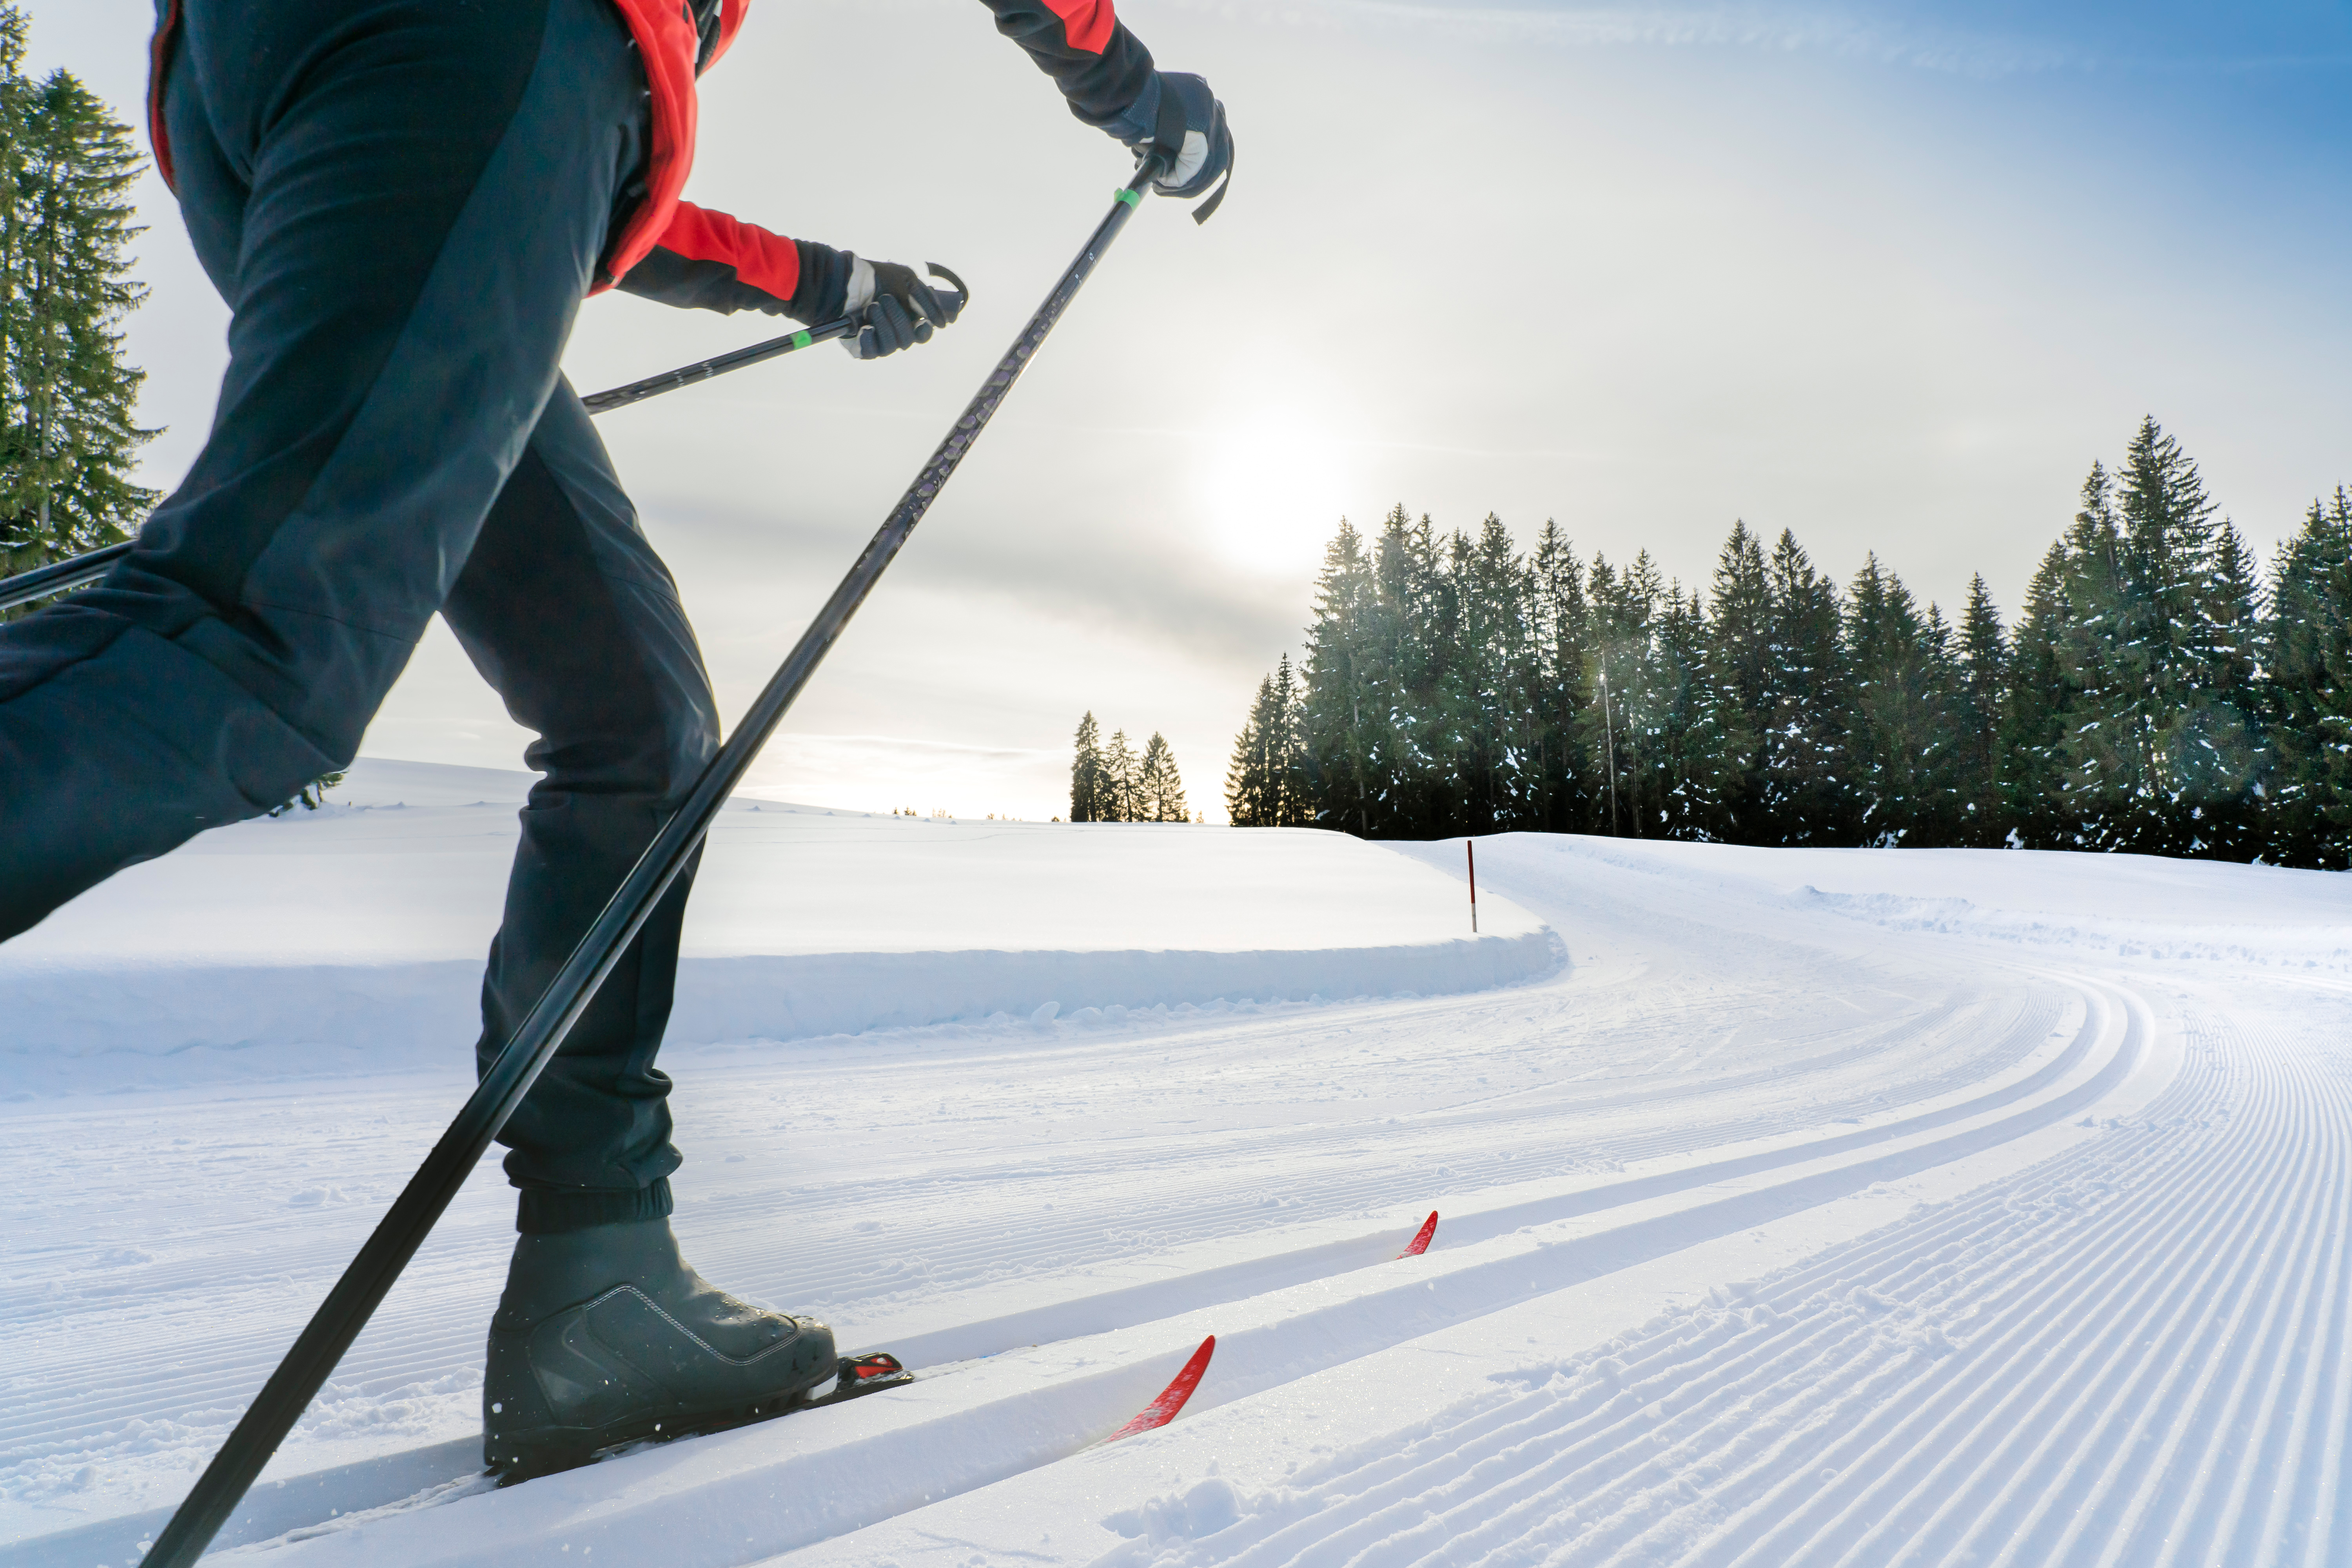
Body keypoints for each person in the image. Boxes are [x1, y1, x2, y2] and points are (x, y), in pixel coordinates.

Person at [0, 0, 1229, 1480]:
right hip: (455, 49)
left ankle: (603, 1279)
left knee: (634, 723)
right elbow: (525, 103)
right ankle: (601, 1275)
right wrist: (1130, 86)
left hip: (268, 90)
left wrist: (823, 282)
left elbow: (543, 185)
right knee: (259, 640)